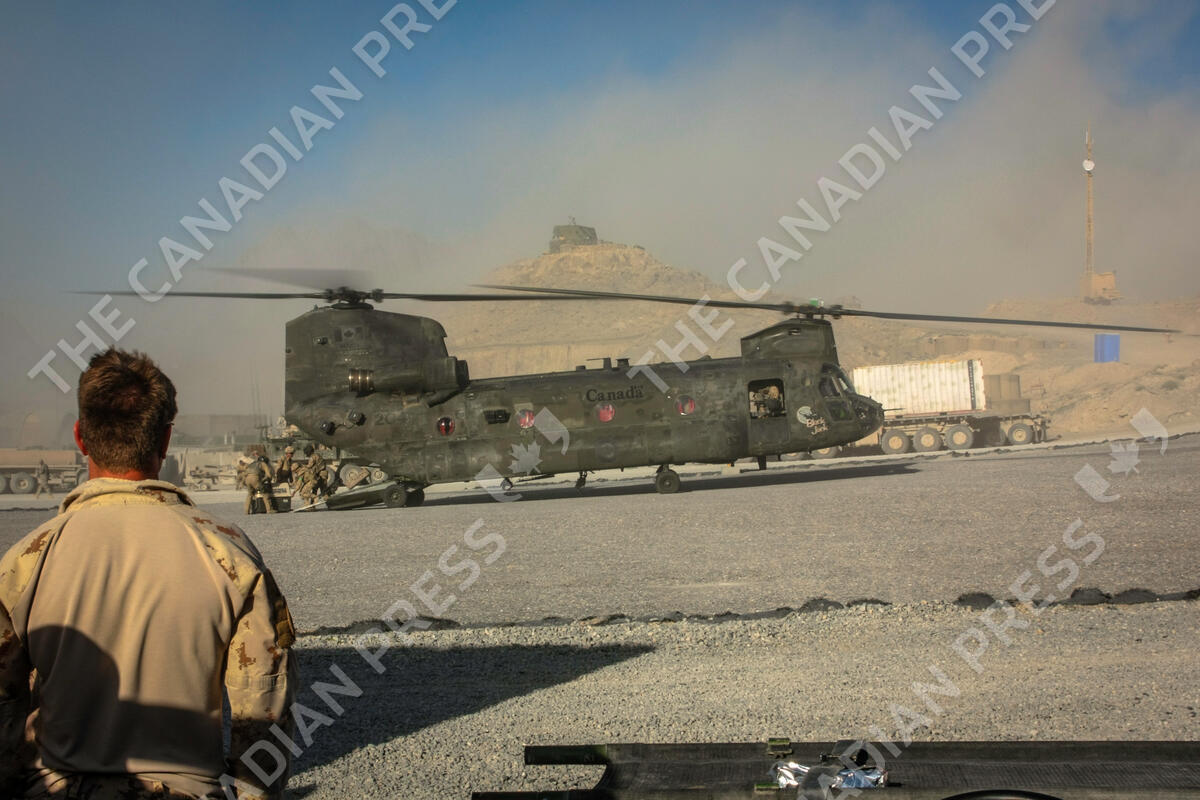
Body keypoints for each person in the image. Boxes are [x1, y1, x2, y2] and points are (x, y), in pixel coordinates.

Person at [0, 348, 296, 799]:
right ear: (166, 439)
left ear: (80, 437)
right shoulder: (230, 555)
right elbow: (262, 710)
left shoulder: (25, 562)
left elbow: (4, 708)